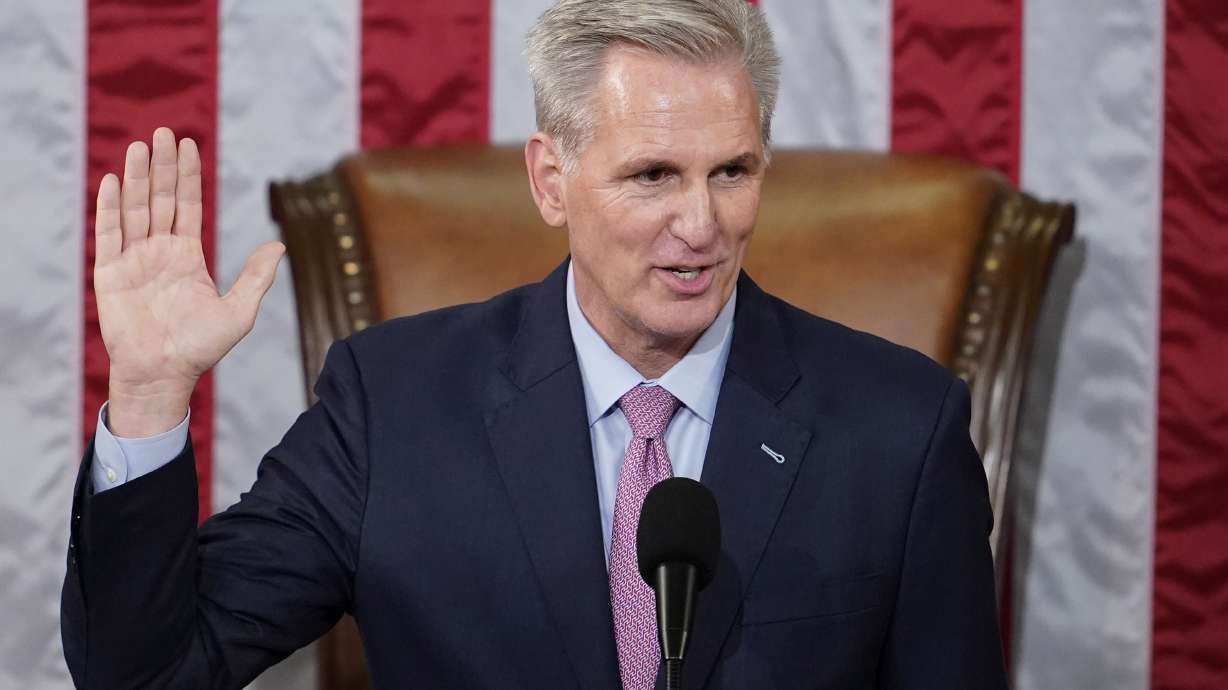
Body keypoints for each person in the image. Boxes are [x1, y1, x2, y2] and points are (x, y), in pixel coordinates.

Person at [61, 0, 1008, 688]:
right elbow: (148, 677)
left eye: (733, 171)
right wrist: (147, 395)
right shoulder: (393, 407)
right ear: (551, 181)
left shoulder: (900, 430)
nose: (701, 223)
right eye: (651, 175)